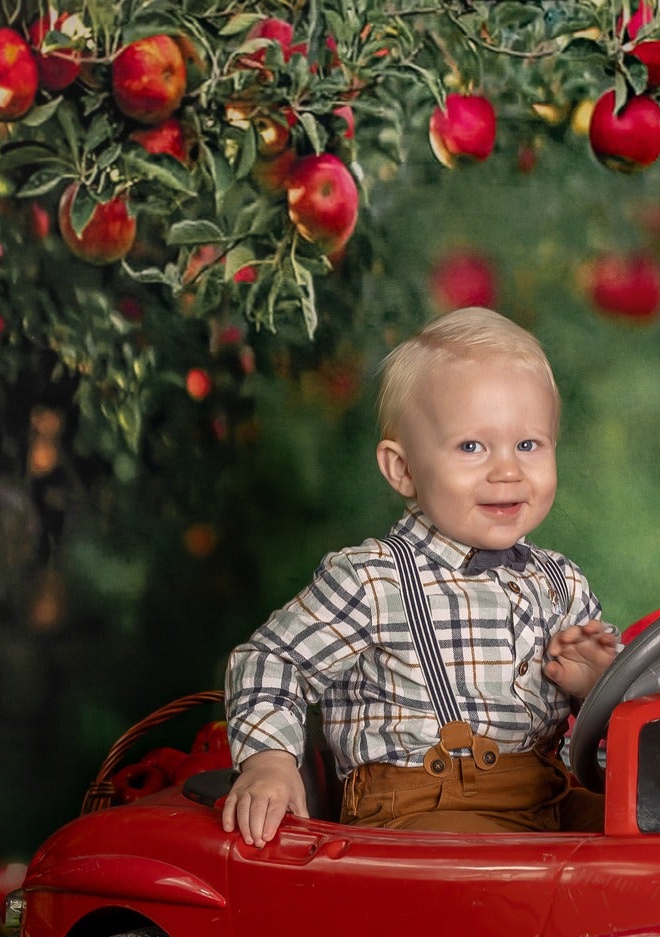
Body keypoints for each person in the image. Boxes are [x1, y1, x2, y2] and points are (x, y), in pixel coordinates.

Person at [221, 308, 619, 845]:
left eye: (528, 445)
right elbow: (271, 660)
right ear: (402, 469)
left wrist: (595, 691)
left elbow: (593, 754)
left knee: (647, 840)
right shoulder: (373, 578)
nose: (507, 470)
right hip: (419, 813)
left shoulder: (562, 584)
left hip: (546, 797)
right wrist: (268, 761)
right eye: (472, 447)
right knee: (494, 877)